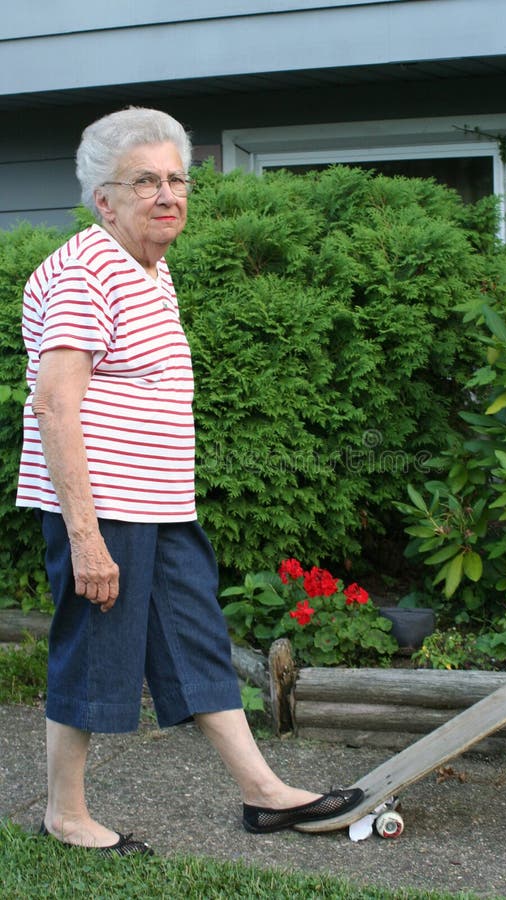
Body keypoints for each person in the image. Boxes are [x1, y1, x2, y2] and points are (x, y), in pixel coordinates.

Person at [16, 107, 362, 855]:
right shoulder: (86, 268)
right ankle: (65, 813)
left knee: (198, 642)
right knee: (94, 652)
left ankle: (263, 794)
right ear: (104, 199)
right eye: (146, 181)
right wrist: (85, 538)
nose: (168, 194)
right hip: (104, 508)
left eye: (177, 178)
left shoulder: (148, 267)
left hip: (158, 506)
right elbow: (55, 403)